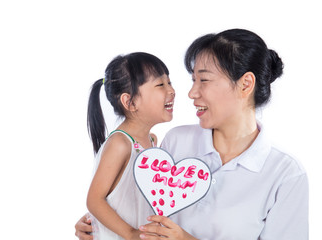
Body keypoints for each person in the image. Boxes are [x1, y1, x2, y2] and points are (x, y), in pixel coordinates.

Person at [76, 29, 308, 240]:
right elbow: (135, 206)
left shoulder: (285, 175)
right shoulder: (175, 142)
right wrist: (94, 224)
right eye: (192, 80)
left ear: (246, 84)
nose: (190, 92)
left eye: (204, 80)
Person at [85, 52, 175, 240]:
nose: (171, 91)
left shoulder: (151, 141)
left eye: (169, 82)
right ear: (130, 102)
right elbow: (94, 200)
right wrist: (132, 234)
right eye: (160, 85)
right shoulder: (120, 144)